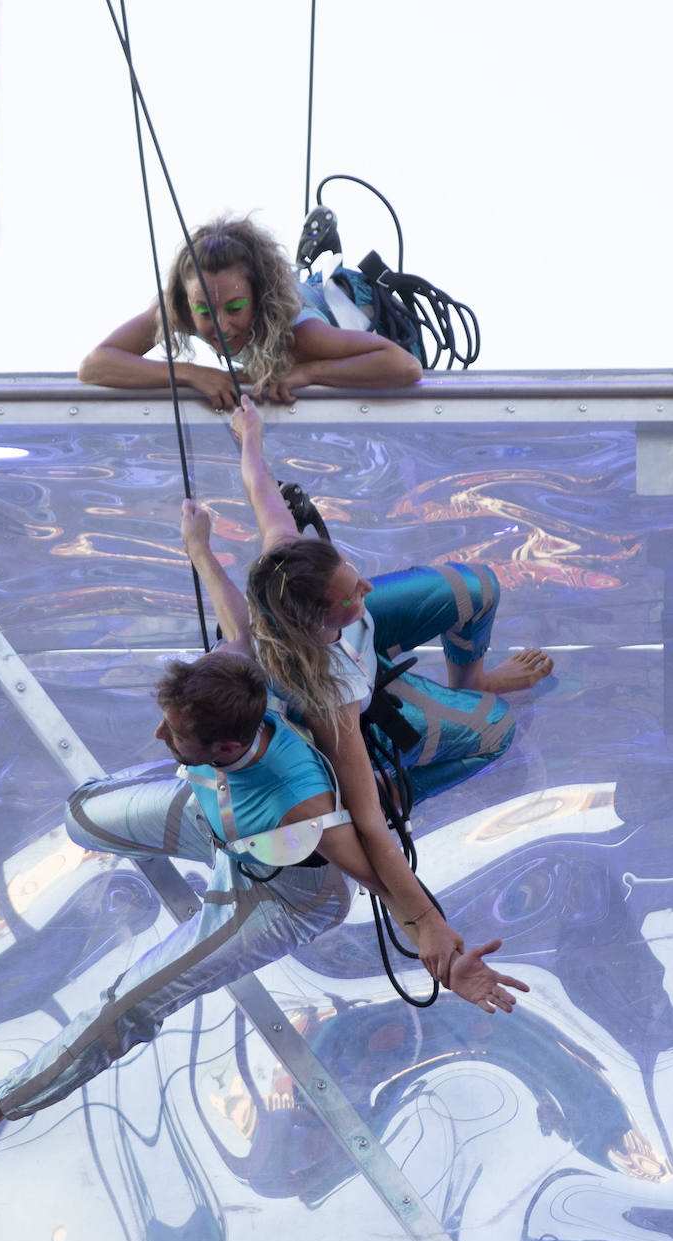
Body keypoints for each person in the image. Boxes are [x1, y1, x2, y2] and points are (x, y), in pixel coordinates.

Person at [0, 576, 528, 1145]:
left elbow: (384, 873)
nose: (160, 737)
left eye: (176, 735)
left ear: (225, 744)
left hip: (281, 890)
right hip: (214, 816)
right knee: (78, 815)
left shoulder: (299, 807)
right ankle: (156, 821)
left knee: (128, 1005)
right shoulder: (238, 675)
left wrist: (439, 945)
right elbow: (238, 611)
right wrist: (200, 543)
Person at [229, 394, 554, 909]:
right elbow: (369, 828)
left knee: (475, 586)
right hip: (355, 703)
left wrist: (250, 436)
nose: (369, 591)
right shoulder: (327, 696)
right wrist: (421, 917)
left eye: (356, 577)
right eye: (352, 595)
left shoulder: (282, 567)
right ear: (315, 619)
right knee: (497, 729)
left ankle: (471, 678)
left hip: (354, 644)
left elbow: (262, 492)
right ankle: (401, 788)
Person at [78, 215, 422, 409]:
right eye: (205, 311)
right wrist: (190, 373)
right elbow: (95, 365)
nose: (221, 325)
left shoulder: (299, 335)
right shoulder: (178, 308)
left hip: (354, 326)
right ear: (187, 302)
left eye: (235, 308)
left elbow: (404, 366)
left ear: (259, 299)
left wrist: (308, 373)